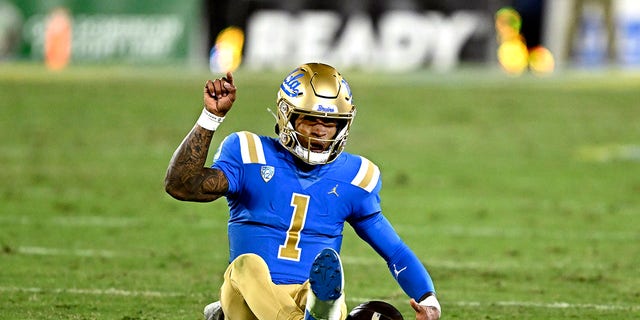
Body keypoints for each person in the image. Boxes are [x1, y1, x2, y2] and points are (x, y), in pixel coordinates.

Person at [164, 63, 441, 320]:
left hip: (307, 300)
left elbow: (394, 251)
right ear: (288, 116)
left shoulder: (356, 177)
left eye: (331, 122)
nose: (321, 131)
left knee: (322, 293)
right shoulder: (249, 153)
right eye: (311, 120)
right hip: (248, 300)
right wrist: (211, 117)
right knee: (246, 266)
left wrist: (428, 298)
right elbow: (180, 184)